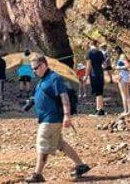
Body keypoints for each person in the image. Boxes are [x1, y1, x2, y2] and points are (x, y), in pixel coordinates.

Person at [24, 54, 90, 183]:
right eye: (32, 69)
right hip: (47, 118)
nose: (34, 71)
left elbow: (64, 96)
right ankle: (80, 165)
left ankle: (37, 175)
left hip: (52, 118)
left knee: (42, 142)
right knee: (60, 144)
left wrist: (67, 115)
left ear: (43, 65)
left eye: (35, 68)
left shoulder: (54, 78)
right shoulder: (43, 79)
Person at [85, 42, 106, 116]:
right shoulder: (100, 52)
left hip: (94, 74)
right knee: (100, 91)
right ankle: (101, 109)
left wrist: (86, 76)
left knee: (97, 93)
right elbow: (104, 64)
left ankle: (99, 110)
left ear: (90, 45)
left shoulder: (89, 53)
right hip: (100, 73)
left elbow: (88, 66)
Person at [114, 46, 130, 116]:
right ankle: (128, 110)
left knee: (125, 95)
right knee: (126, 94)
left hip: (123, 76)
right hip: (123, 76)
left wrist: (118, 67)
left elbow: (127, 65)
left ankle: (127, 111)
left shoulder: (122, 56)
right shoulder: (122, 56)